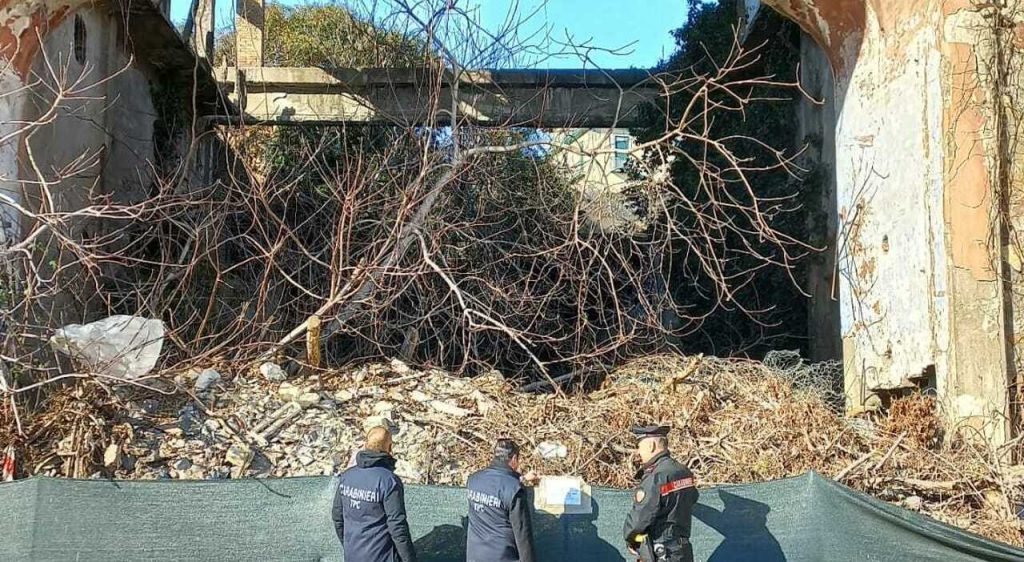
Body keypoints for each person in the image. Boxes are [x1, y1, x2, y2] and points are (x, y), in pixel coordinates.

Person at [332, 425, 417, 562]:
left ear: (365, 445)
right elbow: (397, 526)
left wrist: (349, 547)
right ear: (390, 448)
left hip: (352, 556)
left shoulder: (346, 477)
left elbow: (337, 517)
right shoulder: (389, 481)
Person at [623, 424, 698, 562]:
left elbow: (641, 517)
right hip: (683, 551)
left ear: (651, 446)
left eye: (639, 447)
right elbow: (693, 497)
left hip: (662, 552)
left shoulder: (655, 476)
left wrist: (631, 539)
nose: (638, 452)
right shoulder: (684, 471)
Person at [465, 438, 540, 562]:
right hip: (503, 557)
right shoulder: (514, 490)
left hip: (475, 556)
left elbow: (497, 486)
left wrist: (522, 479)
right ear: (514, 459)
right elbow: (522, 534)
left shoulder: (473, 480)